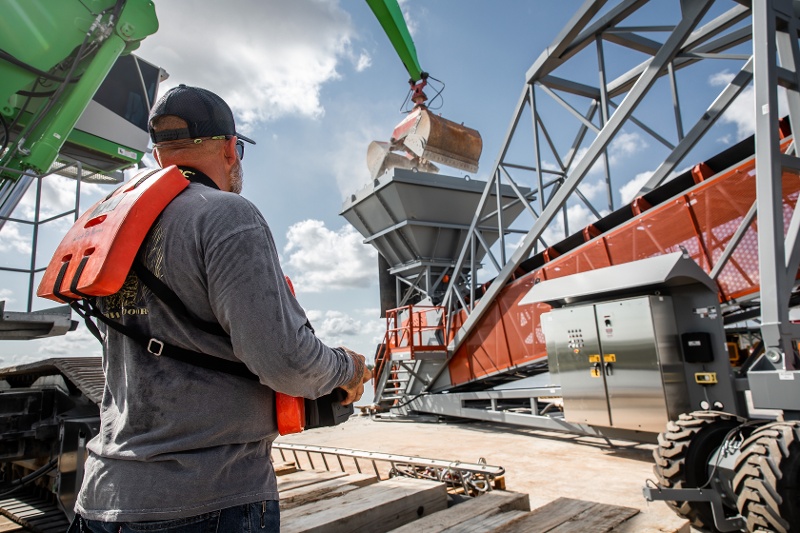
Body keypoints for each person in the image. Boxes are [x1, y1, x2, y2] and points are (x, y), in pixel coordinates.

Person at [70, 85, 372, 532]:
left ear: (159, 156)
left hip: (102, 496)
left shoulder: (116, 228)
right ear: (231, 149)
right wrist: (347, 369)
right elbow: (286, 361)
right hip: (204, 503)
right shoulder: (227, 215)